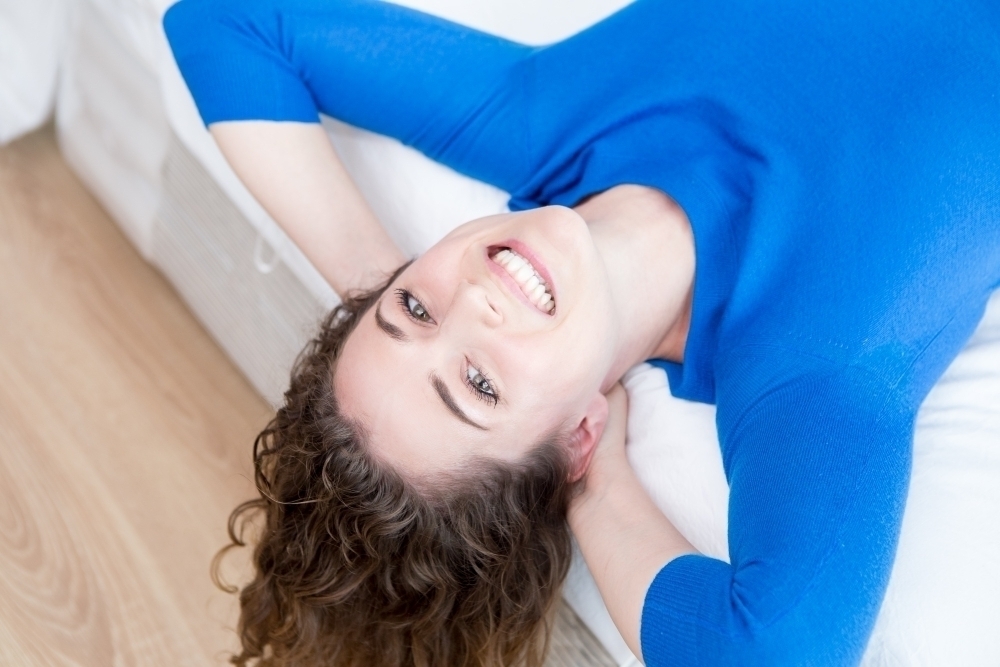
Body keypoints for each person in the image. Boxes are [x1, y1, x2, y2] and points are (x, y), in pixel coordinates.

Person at [163, 0, 1000, 665]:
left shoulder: (543, 120)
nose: (473, 305)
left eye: (415, 311)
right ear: (577, 433)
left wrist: (371, 285)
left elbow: (225, 22)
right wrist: (601, 491)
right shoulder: (812, 369)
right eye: (478, 385)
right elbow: (775, 649)